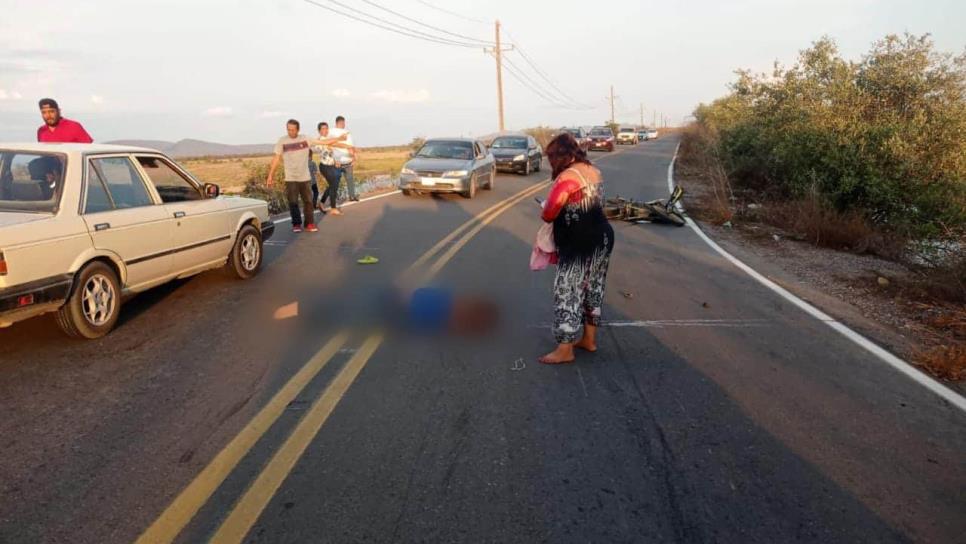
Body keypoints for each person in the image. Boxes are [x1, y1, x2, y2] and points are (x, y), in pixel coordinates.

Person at [537, 132, 615, 364]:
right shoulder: (593, 171)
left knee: (567, 290)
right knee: (593, 287)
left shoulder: (568, 178)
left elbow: (549, 213)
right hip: (602, 236)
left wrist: (545, 206)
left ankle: (565, 349)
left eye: (552, 157)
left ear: (561, 156)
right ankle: (588, 340)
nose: (551, 162)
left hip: (579, 241)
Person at [266, 119, 344, 233]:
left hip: (305, 177)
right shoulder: (282, 141)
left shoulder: (305, 139)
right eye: (288, 129)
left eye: (293, 130)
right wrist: (270, 175)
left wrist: (338, 139)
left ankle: (309, 224)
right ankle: (296, 224)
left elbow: (324, 142)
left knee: (308, 202)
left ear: (298, 129)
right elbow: (276, 158)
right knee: (293, 202)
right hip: (290, 177)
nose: (290, 132)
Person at [313, 122, 342, 216]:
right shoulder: (319, 141)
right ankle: (333, 208)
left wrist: (336, 161)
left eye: (326, 128)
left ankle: (321, 203)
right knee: (333, 185)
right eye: (323, 129)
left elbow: (333, 153)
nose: (325, 130)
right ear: (319, 131)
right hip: (324, 167)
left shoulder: (330, 140)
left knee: (333, 186)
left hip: (333, 166)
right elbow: (316, 149)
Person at [328, 115, 358, 202]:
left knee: (350, 179)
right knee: (334, 181)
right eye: (343, 122)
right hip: (337, 162)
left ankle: (352, 196)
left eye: (344, 122)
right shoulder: (331, 132)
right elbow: (328, 145)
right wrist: (333, 160)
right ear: (339, 122)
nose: (344, 124)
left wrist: (354, 158)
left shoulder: (347, 132)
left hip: (348, 161)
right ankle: (333, 199)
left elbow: (351, 146)